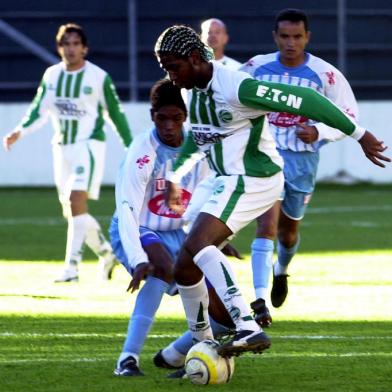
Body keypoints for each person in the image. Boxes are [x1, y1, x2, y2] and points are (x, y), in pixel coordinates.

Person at [154, 25, 389, 357]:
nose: (169, 75)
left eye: (172, 66)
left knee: (197, 244)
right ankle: (200, 341)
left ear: (194, 58)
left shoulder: (236, 86)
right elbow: (200, 134)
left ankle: (247, 326)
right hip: (228, 179)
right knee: (185, 268)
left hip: (254, 178)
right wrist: (177, 175)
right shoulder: (192, 90)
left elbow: (305, 99)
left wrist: (360, 134)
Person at [110, 79, 236, 377]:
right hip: (139, 227)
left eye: (176, 118)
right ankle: (127, 359)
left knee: (223, 312)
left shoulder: (200, 146)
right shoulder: (142, 152)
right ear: (152, 116)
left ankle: (177, 354)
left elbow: (213, 193)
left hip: (180, 232)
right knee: (162, 267)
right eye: (161, 118)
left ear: (186, 117)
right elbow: (127, 206)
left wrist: (217, 239)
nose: (168, 125)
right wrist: (138, 257)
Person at [239, 9, 360, 313]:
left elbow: (349, 117)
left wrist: (319, 130)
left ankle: (281, 269)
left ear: (307, 37)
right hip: (263, 158)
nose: (290, 43)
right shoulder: (255, 67)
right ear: (275, 37)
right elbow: (231, 100)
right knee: (266, 226)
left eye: (296, 37)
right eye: (284, 36)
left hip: (302, 162)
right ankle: (260, 300)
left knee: (288, 231)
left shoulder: (326, 74)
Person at [3, 23, 132, 282]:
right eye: (66, 44)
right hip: (62, 149)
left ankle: (72, 268)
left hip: (89, 146)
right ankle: (107, 253)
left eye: (75, 44)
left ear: (84, 48)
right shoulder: (51, 76)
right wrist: (19, 131)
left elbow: (115, 114)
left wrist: (132, 148)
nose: (71, 49)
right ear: (59, 47)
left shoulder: (98, 77)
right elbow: (39, 109)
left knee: (76, 200)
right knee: (73, 211)